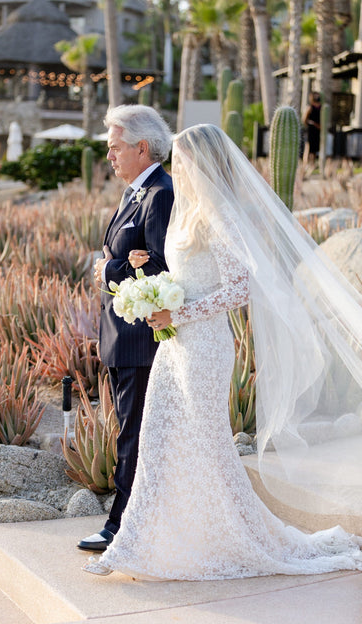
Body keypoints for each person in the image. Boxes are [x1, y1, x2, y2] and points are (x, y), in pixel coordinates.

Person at [83, 123, 362, 580]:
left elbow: (238, 289)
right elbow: (181, 275)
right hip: (175, 347)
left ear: (204, 160)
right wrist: (152, 288)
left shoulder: (220, 215)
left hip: (206, 346)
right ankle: (139, 541)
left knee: (205, 446)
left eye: (183, 157)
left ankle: (230, 539)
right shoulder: (184, 212)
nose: (176, 165)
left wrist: (180, 313)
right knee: (159, 440)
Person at [77, 105, 174, 552]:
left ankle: (121, 527)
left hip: (140, 341)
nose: (110, 156)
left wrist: (108, 270)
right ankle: (133, 520)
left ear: (141, 147)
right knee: (128, 429)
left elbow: (159, 266)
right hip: (121, 336)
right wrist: (118, 266)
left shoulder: (160, 193)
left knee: (133, 432)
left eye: (115, 148)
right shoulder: (133, 193)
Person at [303, 91, 321, 172]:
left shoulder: (321, 107)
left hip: (318, 130)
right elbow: (305, 119)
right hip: (311, 129)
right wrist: (312, 124)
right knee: (309, 146)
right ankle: (307, 163)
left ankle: (313, 163)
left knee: (315, 148)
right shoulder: (310, 107)